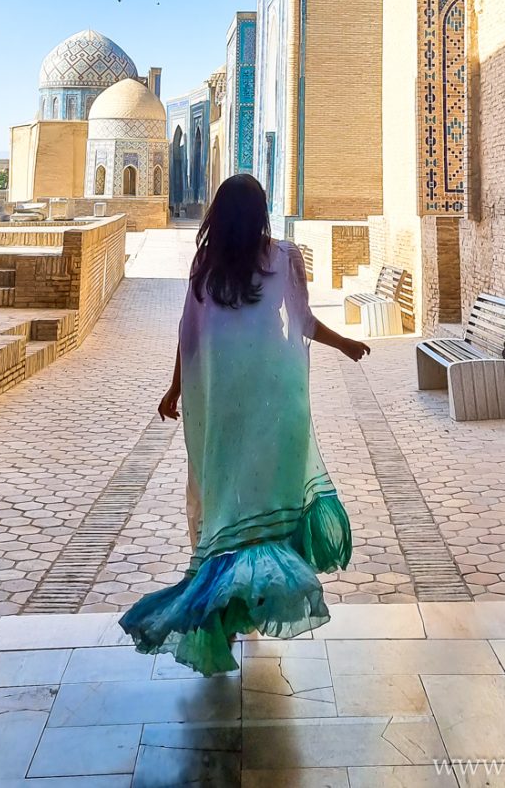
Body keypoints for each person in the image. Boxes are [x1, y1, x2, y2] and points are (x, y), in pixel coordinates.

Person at [118, 173, 369, 675]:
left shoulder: (207, 265)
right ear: (260, 215)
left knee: (227, 507)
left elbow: (188, 338)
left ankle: (228, 612)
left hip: (223, 407)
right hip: (275, 406)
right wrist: (344, 345)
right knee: (262, 511)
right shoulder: (283, 259)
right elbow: (302, 323)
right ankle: (249, 605)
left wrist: (177, 388)